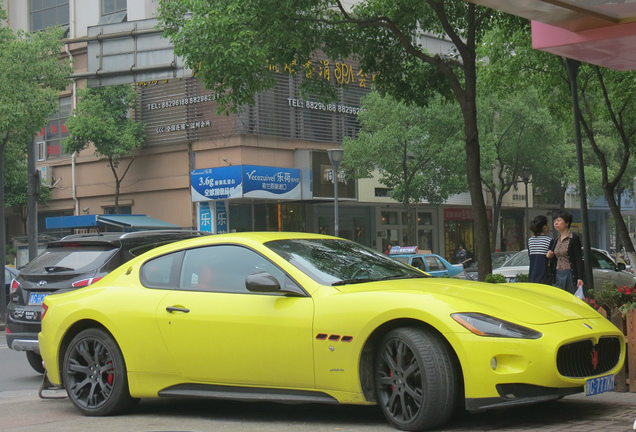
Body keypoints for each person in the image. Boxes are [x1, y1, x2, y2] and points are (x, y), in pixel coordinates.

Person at [546, 210, 584, 295]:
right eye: (554, 221)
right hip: (558, 274)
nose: (556, 223)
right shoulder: (556, 239)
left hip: (570, 273)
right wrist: (550, 255)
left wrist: (580, 277)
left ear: (567, 223)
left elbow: (578, 259)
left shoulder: (574, 238)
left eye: (559, 220)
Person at [528, 215, 552, 284]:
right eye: (548, 224)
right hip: (545, 276)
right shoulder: (549, 240)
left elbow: (530, 256)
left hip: (532, 275)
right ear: (545, 227)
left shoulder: (530, 240)